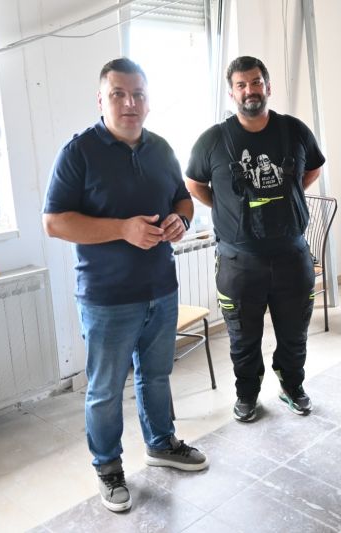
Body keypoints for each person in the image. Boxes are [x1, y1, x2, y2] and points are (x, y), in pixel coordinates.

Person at [42, 57, 209, 512]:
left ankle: (161, 443)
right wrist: (121, 229)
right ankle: (108, 467)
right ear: (101, 100)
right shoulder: (78, 153)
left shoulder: (161, 149)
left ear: (148, 102)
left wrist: (180, 221)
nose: (129, 103)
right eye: (118, 94)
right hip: (107, 297)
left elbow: (182, 199)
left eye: (138, 94)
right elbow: (54, 222)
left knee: (156, 375)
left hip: (161, 288)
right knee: (105, 389)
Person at [185, 56, 325, 422]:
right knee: (242, 337)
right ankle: (247, 395)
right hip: (238, 261)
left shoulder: (294, 130)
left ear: (268, 86)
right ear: (232, 93)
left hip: (292, 254)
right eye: (242, 85)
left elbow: (313, 169)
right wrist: (225, 206)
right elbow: (194, 183)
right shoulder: (213, 140)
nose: (250, 90)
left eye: (256, 82)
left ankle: (292, 386)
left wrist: (288, 192)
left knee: (294, 333)